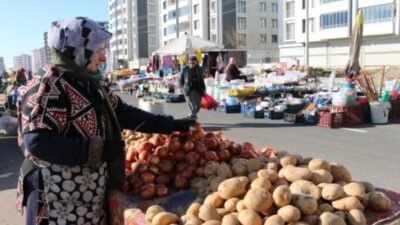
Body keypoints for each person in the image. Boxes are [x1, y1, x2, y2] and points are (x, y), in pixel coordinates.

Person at [16, 17, 195, 225]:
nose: (103, 57)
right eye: (98, 50)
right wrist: (96, 151)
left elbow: (123, 113)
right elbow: (38, 141)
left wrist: (170, 125)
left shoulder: (89, 80)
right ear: (78, 51)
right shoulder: (48, 86)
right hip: (54, 194)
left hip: (85, 193)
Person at [179, 56, 206, 120]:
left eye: (193, 63)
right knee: (192, 107)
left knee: (198, 106)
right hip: (188, 90)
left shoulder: (199, 69)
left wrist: (204, 89)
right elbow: (180, 80)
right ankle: (193, 119)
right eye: (190, 63)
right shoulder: (185, 69)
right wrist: (183, 89)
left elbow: (202, 80)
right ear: (188, 62)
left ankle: (190, 116)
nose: (192, 64)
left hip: (198, 90)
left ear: (196, 62)